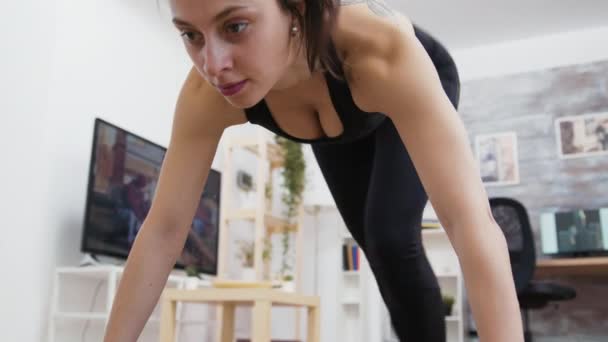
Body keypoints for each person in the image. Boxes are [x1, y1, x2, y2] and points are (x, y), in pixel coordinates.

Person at [103, 1, 524, 341]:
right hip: (337, 124)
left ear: (298, 9)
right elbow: (163, 230)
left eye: (235, 27)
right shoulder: (205, 94)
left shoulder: (382, 53)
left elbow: (469, 223)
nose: (213, 64)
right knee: (377, 249)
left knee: (391, 237)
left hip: (396, 79)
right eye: (191, 35)